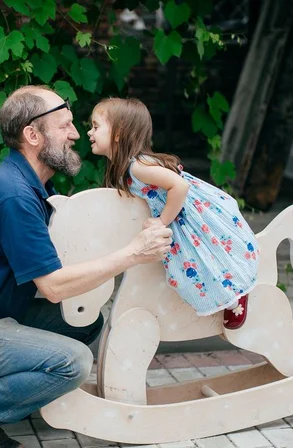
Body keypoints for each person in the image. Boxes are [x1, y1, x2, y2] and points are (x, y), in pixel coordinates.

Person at [0, 86, 173, 448]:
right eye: (65, 126)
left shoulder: (26, 183)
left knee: (85, 322)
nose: (74, 135)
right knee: (73, 362)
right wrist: (133, 253)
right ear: (33, 135)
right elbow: (52, 286)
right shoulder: (14, 195)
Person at [87, 97, 259, 330]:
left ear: (118, 133)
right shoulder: (125, 167)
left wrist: (162, 221)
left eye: (96, 126)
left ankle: (234, 294)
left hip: (189, 215)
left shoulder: (138, 166)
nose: (89, 132)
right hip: (177, 215)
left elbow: (180, 186)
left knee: (201, 258)